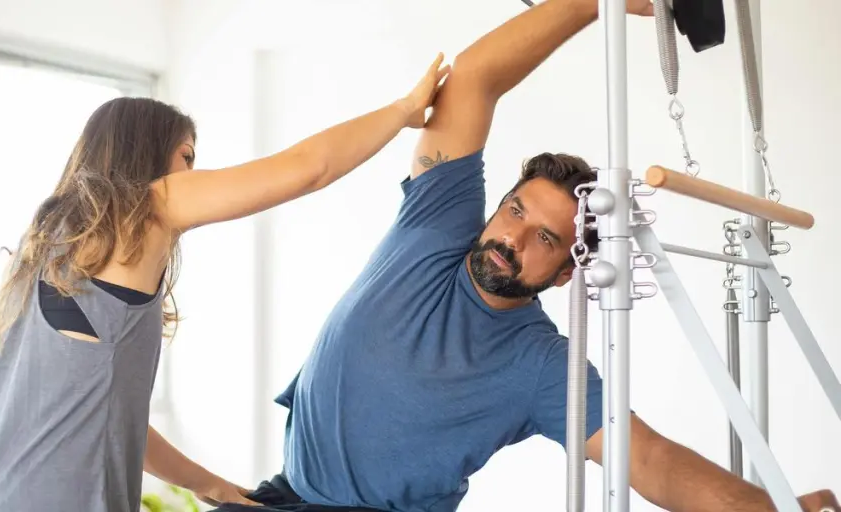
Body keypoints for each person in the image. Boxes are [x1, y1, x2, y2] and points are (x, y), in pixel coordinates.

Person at [226, 1, 840, 511]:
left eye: (546, 238)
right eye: (516, 211)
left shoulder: (543, 365)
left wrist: (774, 508)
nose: (513, 239)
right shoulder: (435, 227)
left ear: (568, 270)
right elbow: (472, 79)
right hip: (281, 495)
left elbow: (647, 457)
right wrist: (591, 4)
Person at [0, 54, 451, 512]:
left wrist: (207, 483)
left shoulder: (48, 244)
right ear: (148, 158)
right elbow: (309, 168)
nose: (196, 175)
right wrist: (404, 110)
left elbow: (111, 417)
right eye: (188, 159)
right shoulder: (148, 208)